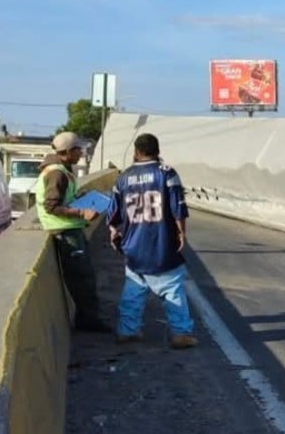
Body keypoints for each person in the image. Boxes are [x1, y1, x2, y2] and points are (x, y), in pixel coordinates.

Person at [107, 133, 197, 349]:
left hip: (133, 245)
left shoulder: (123, 177)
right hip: (162, 244)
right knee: (172, 289)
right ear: (157, 150)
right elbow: (178, 209)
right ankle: (180, 333)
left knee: (133, 290)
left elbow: (113, 214)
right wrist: (181, 233)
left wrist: (113, 233)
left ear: (136, 152)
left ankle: (128, 331)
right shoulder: (167, 174)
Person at [37, 132, 110, 332]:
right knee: (83, 279)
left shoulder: (60, 170)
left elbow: (60, 200)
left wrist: (79, 199)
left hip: (68, 229)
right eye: (78, 149)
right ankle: (89, 322)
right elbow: (51, 206)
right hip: (65, 232)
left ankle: (87, 319)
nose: (81, 153)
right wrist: (81, 211)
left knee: (83, 277)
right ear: (68, 152)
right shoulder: (57, 173)